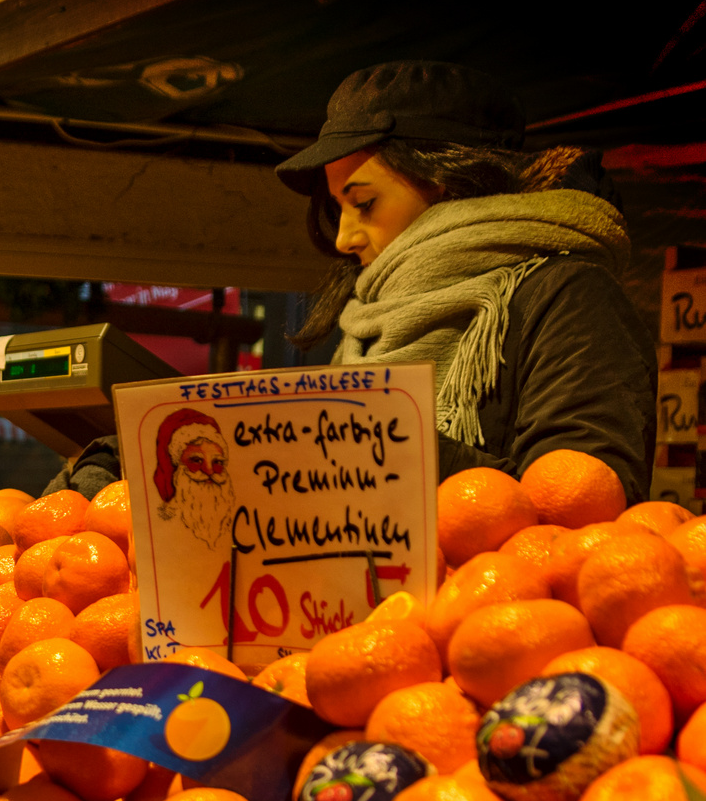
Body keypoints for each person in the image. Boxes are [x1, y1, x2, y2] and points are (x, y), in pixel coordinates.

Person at [274, 60, 654, 503]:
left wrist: (383, 442)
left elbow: (577, 504)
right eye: (338, 209)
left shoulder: (566, 297)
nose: (344, 238)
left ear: (445, 181)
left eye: (364, 202)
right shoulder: (366, 320)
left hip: (500, 574)